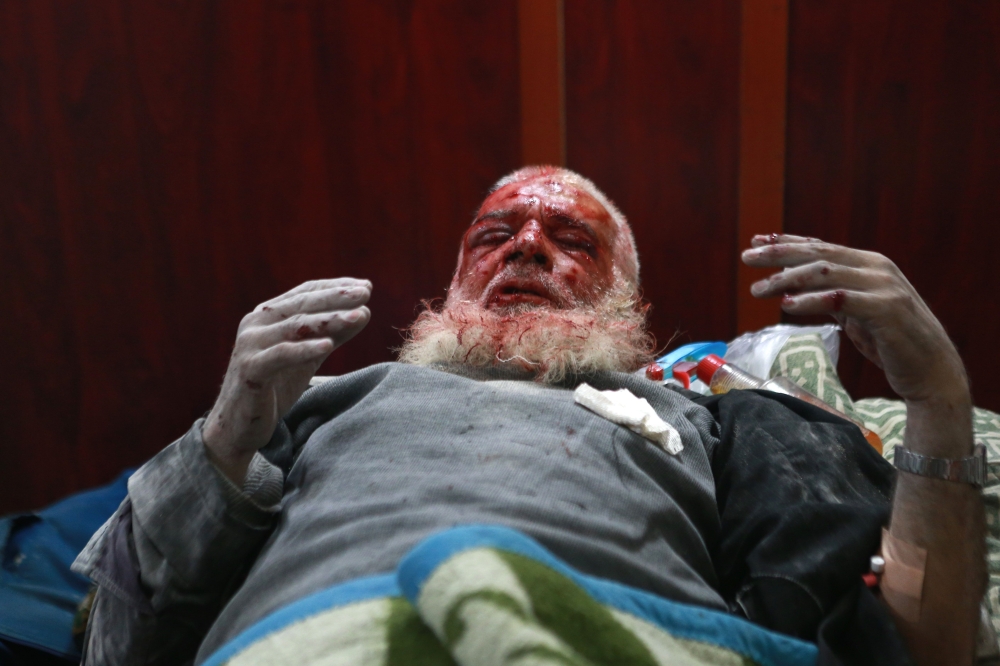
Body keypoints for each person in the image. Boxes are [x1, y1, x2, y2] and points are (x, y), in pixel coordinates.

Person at [74, 166, 983, 665]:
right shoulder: (311, 404)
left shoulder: (725, 419)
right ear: (457, 279)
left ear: (629, 306)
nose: (527, 249)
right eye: (493, 236)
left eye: (571, 240)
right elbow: (115, 647)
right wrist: (224, 437)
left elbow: (920, 645)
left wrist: (938, 397)